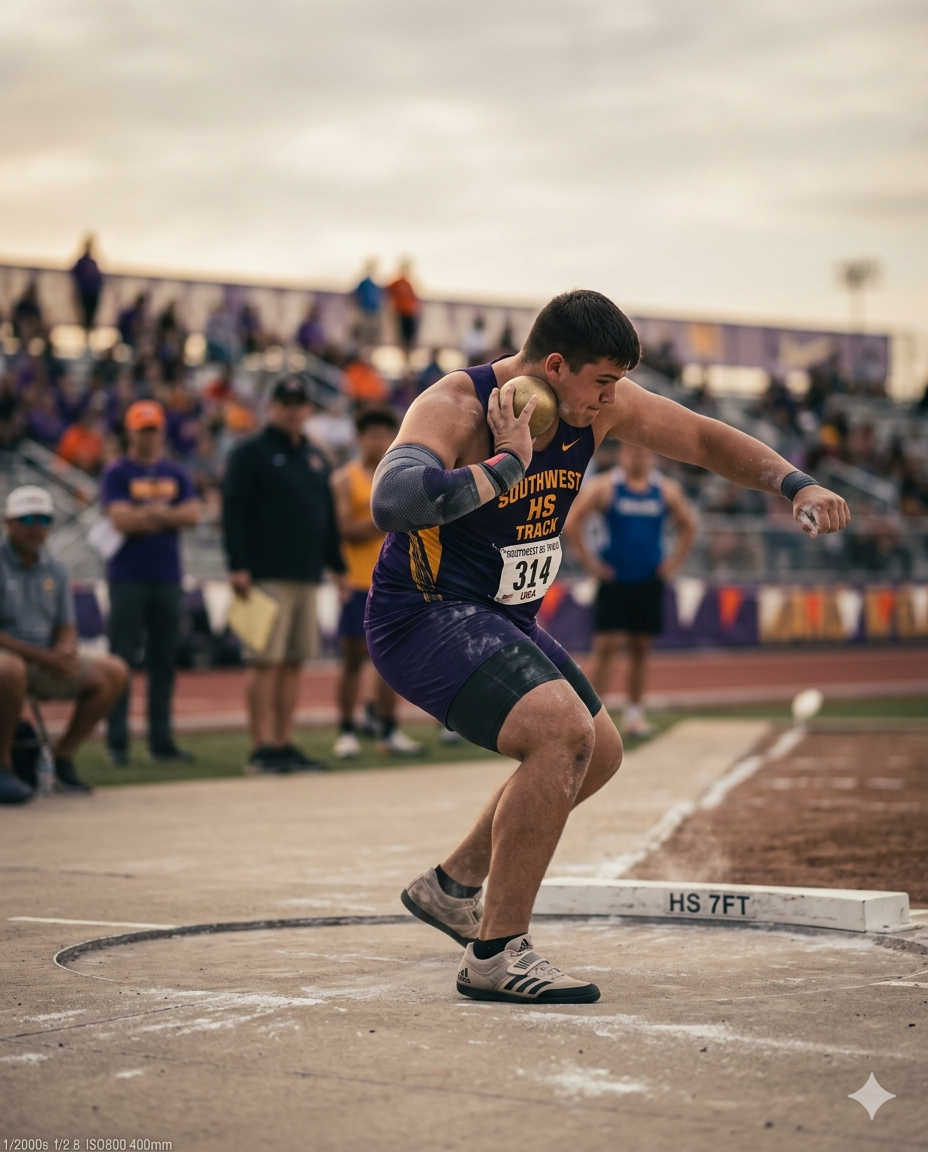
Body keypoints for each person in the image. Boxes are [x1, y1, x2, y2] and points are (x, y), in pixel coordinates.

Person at [366, 289, 850, 1004]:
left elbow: (705, 438)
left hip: (504, 614)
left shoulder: (602, 404)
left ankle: (452, 886)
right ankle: (496, 954)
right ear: (555, 366)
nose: (611, 400)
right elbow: (392, 499)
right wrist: (505, 465)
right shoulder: (458, 406)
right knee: (560, 731)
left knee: (602, 747)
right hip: (426, 611)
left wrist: (794, 482)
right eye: (602, 382)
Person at [222, 377, 347, 772]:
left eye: (300, 403)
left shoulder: (314, 457)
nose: (293, 410)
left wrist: (337, 567)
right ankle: (261, 747)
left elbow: (325, 518)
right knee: (265, 661)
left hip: (306, 573)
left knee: (294, 661)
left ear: (308, 409)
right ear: (271, 407)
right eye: (286, 402)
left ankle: (283, 742)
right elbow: (233, 512)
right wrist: (238, 564)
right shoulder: (250, 453)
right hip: (265, 574)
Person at [0, 486, 127, 803]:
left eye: (43, 519)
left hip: (43, 658)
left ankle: (63, 756)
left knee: (112, 670)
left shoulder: (55, 568)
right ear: (8, 523)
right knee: (9, 669)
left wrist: (65, 649)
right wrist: (45, 657)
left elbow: (66, 624)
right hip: (11, 658)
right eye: (26, 519)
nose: (35, 527)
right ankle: (3, 767)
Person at [565, 442, 697, 735]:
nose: (637, 455)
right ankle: (593, 717)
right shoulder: (605, 487)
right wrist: (590, 563)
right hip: (614, 579)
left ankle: (635, 715)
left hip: (649, 579)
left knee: (641, 648)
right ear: (623, 454)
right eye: (631, 451)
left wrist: (673, 563)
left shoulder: (665, 490)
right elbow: (573, 521)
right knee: (606, 646)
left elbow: (688, 524)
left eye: (643, 451)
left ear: (652, 456)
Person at [101, 400, 201, 764]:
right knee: (121, 662)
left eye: (153, 428)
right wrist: (165, 516)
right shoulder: (117, 471)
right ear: (130, 431)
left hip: (166, 578)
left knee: (163, 662)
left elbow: (193, 515)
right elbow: (120, 520)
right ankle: (117, 742)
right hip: (128, 578)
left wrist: (147, 515)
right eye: (143, 429)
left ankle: (161, 742)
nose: (149, 435)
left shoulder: (175, 470)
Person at [330, 407, 423, 759]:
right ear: (360, 438)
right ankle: (346, 729)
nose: (379, 441)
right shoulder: (345, 479)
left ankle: (389, 728)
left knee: (392, 662)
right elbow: (342, 530)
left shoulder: (399, 477)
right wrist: (384, 519)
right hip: (357, 581)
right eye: (373, 434)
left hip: (394, 582)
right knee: (352, 660)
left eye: (385, 434)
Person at [386, 260, 421, 356]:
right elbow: (386, 292)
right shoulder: (395, 283)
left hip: (410, 313)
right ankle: (403, 355)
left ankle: (408, 355)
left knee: (410, 338)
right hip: (400, 313)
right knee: (401, 337)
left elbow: (414, 297)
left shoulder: (409, 284)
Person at [70, 235, 103, 333]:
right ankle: (86, 333)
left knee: (91, 315)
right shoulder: (81, 262)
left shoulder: (93, 262)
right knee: (85, 315)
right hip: (85, 292)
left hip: (93, 292)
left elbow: (99, 277)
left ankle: (88, 333)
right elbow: (74, 272)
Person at [352, 260, 383, 347]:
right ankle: (362, 349)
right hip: (364, 310)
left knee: (373, 333)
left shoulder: (375, 284)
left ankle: (370, 350)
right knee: (363, 332)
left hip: (374, 312)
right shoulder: (363, 283)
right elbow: (355, 296)